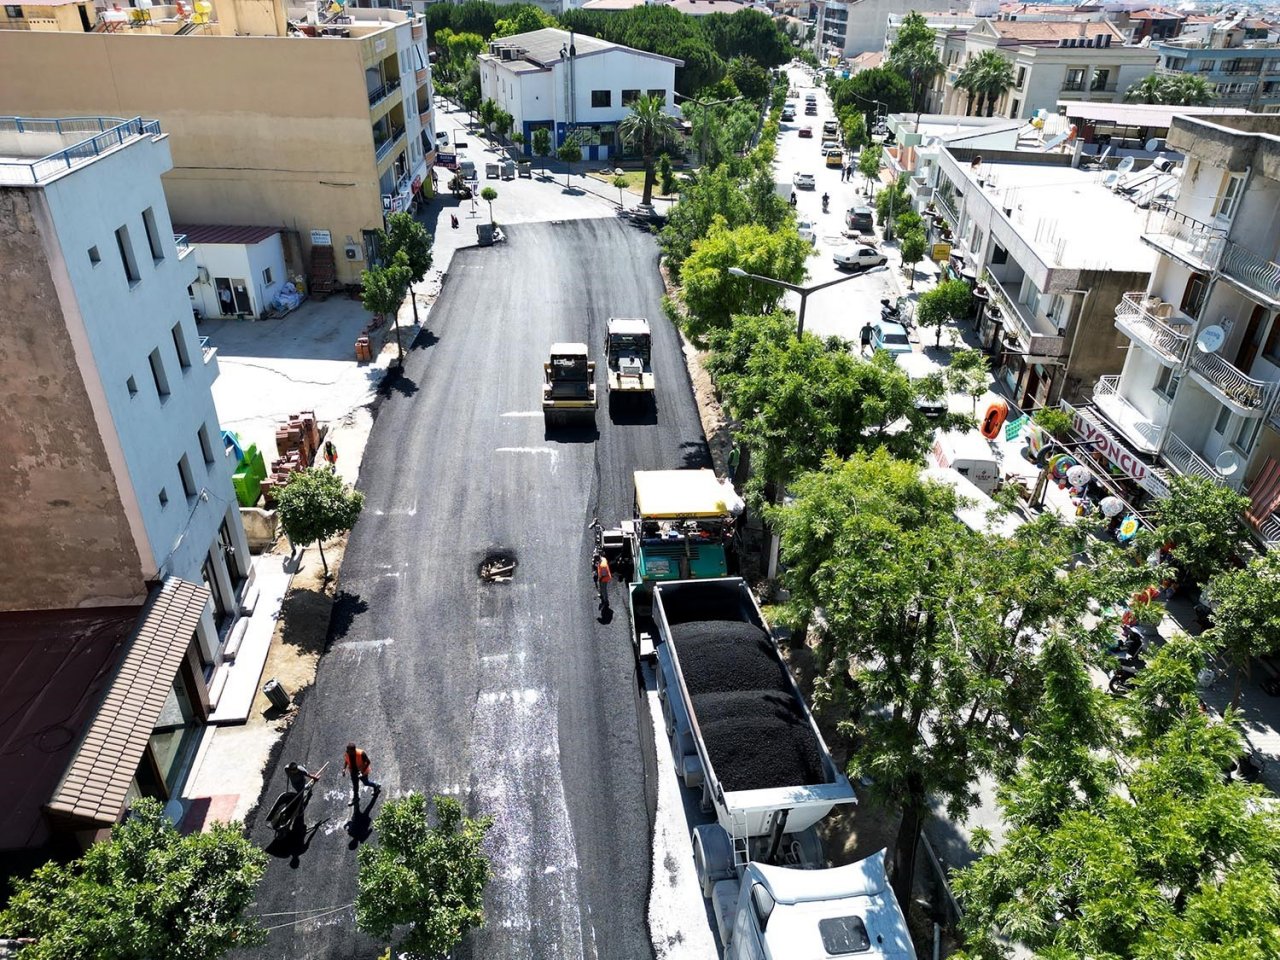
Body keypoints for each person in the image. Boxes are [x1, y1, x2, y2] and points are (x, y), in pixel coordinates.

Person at [343, 742, 381, 807]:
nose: (347, 752)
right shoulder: (347, 753)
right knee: (355, 785)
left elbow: (368, 762)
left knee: (366, 783)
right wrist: (344, 769)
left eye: (349, 751)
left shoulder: (361, 753)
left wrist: (362, 772)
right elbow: (346, 760)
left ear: (353, 750)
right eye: (347, 751)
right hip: (353, 771)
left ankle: (376, 786)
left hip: (362, 771)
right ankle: (356, 798)